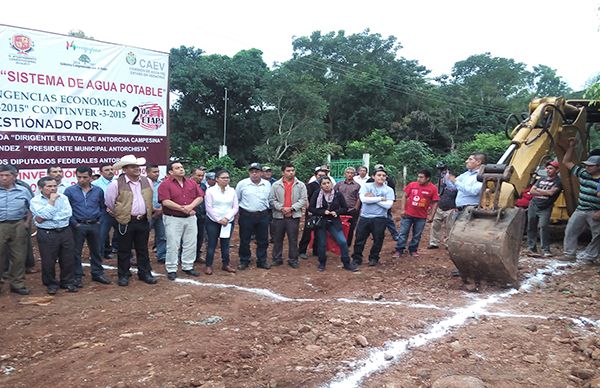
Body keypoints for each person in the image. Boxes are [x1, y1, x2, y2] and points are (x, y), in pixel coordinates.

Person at [105, 155, 157, 286]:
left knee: (143, 249)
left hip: (143, 220)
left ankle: (144, 273)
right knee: (124, 250)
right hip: (126, 221)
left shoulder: (147, 181)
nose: (137, 169)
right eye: (133, 167)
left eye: (137, 166)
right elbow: (110, 203)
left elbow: (149, 199)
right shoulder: (116, 184)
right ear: (125, 169)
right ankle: (123, 275)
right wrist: (121, 213)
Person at [64, 166, 111, 286]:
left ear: (91, 177)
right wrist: (75, 223)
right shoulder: (69, 191)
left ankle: (97, 273)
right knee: (76, 252)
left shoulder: (98, 190)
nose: (81, 180)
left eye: (85, 177)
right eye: (79, 177)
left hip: (95, 224)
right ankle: (77, 276)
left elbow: (102, 206)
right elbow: (67, 209)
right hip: (78, 225)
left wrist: (99, 220)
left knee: (96, 250)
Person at [31, 176, 77, 294]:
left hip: (65, 231)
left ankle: (67, 281)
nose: (53, 188)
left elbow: (67, 213)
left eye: (55, 186)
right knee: (48, 260)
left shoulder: (63, 198)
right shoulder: (35, 201)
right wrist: (51, 202)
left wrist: (46, 216)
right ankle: (50, 283)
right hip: (47, 233)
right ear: (41, 188)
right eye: (49, 186)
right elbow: (42, 216)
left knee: (67, 258)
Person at [158, 161, 204, 280]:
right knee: (173, 244)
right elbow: (165, 201)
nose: (181, 169)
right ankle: (172, 268)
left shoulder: (191, 183)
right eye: (177, 168)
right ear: (171, 172)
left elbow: (200, 197)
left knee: (191, 242)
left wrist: (190, 207)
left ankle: (188, 266)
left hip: (190, 218)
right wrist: (183, 208)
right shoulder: (165, 184)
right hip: (173, 218)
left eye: (182, 167)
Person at [559, 140, 600, 262]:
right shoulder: (583, 173)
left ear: (599, 167)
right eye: (586, 165)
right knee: (571, 230)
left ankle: (590, 256)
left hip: (595, 211)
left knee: (598, 235)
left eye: (590, 166)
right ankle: (569, 254)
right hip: (581, 209)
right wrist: (571, 147)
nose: (587, 167)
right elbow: (566, 162)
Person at [308, 176, 358, 272]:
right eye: (324, 184)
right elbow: (311, 208)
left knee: (342, 241)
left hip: (334, 222)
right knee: (322, 243)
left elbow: (345, 208)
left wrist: (337, 212)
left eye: (328, 183)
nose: (327, 185)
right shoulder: (317, 194)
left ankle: (346, 263)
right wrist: (323, 212)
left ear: (331, 183)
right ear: (321, 186)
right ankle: (322, 263)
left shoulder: (337, 194)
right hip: (321, 221)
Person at [351, 167, 395, 267]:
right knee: (359, 239)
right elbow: (364, 200)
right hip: (364, 217)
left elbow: (388, 205)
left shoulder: (389, 190)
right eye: (379, 175)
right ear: (373, 176)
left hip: (380, 218)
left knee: (378, 239)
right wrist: (380, 199)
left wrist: (373, 198)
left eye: (384, 176)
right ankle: (356, 259)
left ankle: (374, 258)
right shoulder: (366, 186)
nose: (381, 177)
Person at [0, 164, 33, 295]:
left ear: (14, 177)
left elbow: (31, 207)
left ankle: (17, 284)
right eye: (1, 175)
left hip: (18, 225)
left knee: (19, 256)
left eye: (7, 175)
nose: (3, 178)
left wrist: (27, 223)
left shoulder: (23, 190)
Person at [393, 169, 439, 257]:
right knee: (403, 233)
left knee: (417, 234)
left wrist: (432, 216)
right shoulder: (412, 185)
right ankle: (399, 250)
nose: (418, 179)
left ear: (427, 178)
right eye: (418, 177)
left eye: (421, 177)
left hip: (421, 216)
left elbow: (435, 202)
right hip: (408, 214)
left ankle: (413, 250)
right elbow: (404, 196)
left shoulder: (433, 188)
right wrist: (403, 209)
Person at [269, 163, 308, 268]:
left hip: (293, 215)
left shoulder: (300, 185)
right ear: (283, 172)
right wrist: (281, 208)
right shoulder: (275, 185)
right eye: (288, 170)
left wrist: (291, 208)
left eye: (292, 170)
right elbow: (271, 200)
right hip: (279, 215)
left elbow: (303, 199)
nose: (291, 172)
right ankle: (277, 258)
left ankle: (293, 259)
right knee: (277, 238)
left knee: (293, 238)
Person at [236, 163, 272, 270]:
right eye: (252, 172)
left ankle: (261, 260)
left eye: (257, 171)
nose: (254, 174)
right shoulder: (242, 184)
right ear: (249, 173)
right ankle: (244, 260)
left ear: (261, 173)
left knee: (263, 239)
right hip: (246, 214)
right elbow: (237, 199)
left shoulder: (267, 184)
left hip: (263, 215)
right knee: (244, 239)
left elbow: (269, 199)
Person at [204, 169, 238, 274]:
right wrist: (219, 219)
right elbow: (209, 208)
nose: (226, 180)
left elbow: (235, 207)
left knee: (225, 243)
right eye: (223, 178)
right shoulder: (210, 191)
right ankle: (209, 265)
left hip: (228, 221)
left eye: (227, 178)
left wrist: (227, 218)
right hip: (213, 221)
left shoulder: (232, 191)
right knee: (212, 243)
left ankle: (226, 264)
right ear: (217, 179)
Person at [526, 161, 562, 257]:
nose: (548, 170)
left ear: (557, 170)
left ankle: (545, 249)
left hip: (545, 207)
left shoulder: (558, 182)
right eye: (547, 168)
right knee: (531, 226)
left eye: (551, 168)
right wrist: (544, 191)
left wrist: (538, 190)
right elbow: (531, 190)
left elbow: (551, 193)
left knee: (543, 227)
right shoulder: (541, 179)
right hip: (533, 205)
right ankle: (531, 248)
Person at [298, 168, 327, 259]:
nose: (321, 177)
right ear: (315, 176)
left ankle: (316, 251)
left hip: (322, 212)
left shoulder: (327, 185)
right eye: (319, 175)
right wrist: (309, 209)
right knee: (307, 232)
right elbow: (305, 198)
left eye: (323, 175)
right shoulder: (311, 186)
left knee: (319, 232)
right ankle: (302, 251)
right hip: (311, 212)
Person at [93, 163, 118, 260]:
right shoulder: (95, 184)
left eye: (111, 169)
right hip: (104, 212)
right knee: (101, 235)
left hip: (119, 211)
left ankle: (124, 254)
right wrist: (107, 207)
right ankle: (98, 256)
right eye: (107, 170)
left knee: (123, 233)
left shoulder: (118, 182)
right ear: (100, 172)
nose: (110, 171)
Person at [428, 170, 457, 249]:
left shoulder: (457, 187)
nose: (447, 178)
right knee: (435, 225)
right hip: (440, 207)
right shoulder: (442, 186)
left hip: (451, 208)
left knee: (449, 227)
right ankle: (433, 242)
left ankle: (448, 243)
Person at [334, 166, 361, 247]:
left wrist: (356, 208)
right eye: (348, 173)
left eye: (352, 173)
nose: (349, 174)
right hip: (340, 209)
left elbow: (359, 198)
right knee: (338, 227)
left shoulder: (357, 186)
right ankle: (338, 244)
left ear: (354, 174)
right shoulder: (339, 184)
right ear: (345, 174)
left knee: (350, 228)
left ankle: (347, 245)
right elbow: (333, 194)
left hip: (352, 210)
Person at [146, 163, 166, 264]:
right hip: (147, 213)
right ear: (147, 172)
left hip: (161, 212)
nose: (157, 174)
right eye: (154, 172)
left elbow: (166, 197)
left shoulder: (162, 183)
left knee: (162, 235)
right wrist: (152, 209)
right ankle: (142, 257)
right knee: (143, 236)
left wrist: (161, 209)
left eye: (158, 172)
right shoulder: (142, 183)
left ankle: (162, 255)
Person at [191, 167, 207, 262]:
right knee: (188, 238)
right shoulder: (186, 185)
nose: (201, 177)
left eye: (202, 175)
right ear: (192, 175)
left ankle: (197, 255)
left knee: (200, 236)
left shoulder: (203, 186)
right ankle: (184, 256)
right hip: (190, 215)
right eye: (199, 175)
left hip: (201, 215)